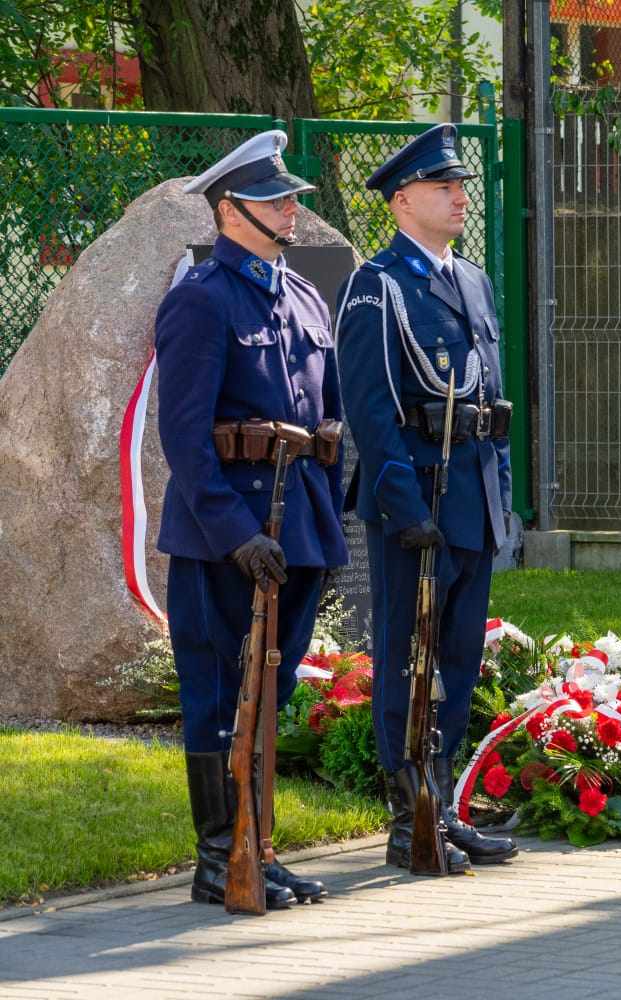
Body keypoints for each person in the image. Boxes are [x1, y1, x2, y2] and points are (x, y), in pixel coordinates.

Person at [157, 130, 347, 909]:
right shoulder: (199, 300)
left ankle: (258, 848)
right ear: (230, 210)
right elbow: (185, 438)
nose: (293, 206)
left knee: (272, 691)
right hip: (222, 536)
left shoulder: (302, 295)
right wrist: (236, 535)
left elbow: (329, 423)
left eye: (293, 195)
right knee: (219, 693)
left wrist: (324, 519)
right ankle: (218, 857)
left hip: (295, 525)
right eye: (276, 198)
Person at [334, 124, 518, 872]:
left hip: (470, 495)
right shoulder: (377, 286)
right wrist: (403, 506)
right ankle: (406, 814)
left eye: (461, 185)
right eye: (444, 187)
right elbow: (372, 411)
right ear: (403, 199)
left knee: (460, 657)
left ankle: (441, 807)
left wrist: (500, 495)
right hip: (418, 499)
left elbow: (493, 402)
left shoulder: (469, 279)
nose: (459, 196)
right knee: (406, 654)